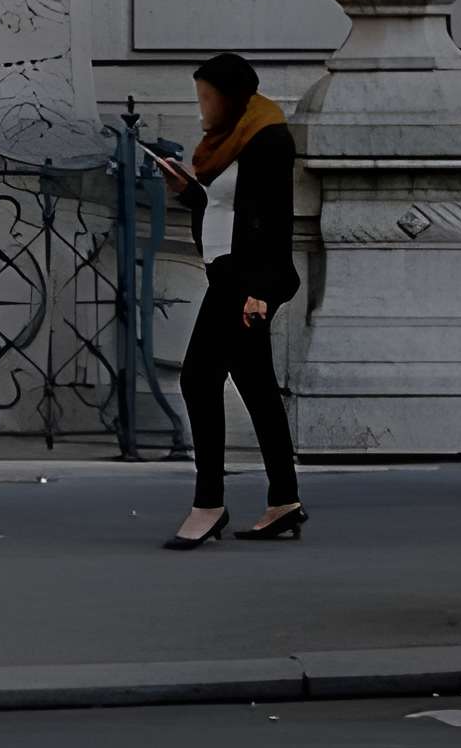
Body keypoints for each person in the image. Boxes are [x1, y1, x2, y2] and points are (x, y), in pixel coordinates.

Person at [157, 51, 305, 549]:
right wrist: (185, 192)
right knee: (257, 387)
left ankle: (208, 503)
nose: (201, 107)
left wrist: (260, 292)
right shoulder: (225, 143)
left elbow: (275, 221)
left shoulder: (267, 138)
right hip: (226, 270)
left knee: (198, 379)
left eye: (207, 97)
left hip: (245, 281)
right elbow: (223, 208)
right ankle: (284, 500)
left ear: (231, 97)